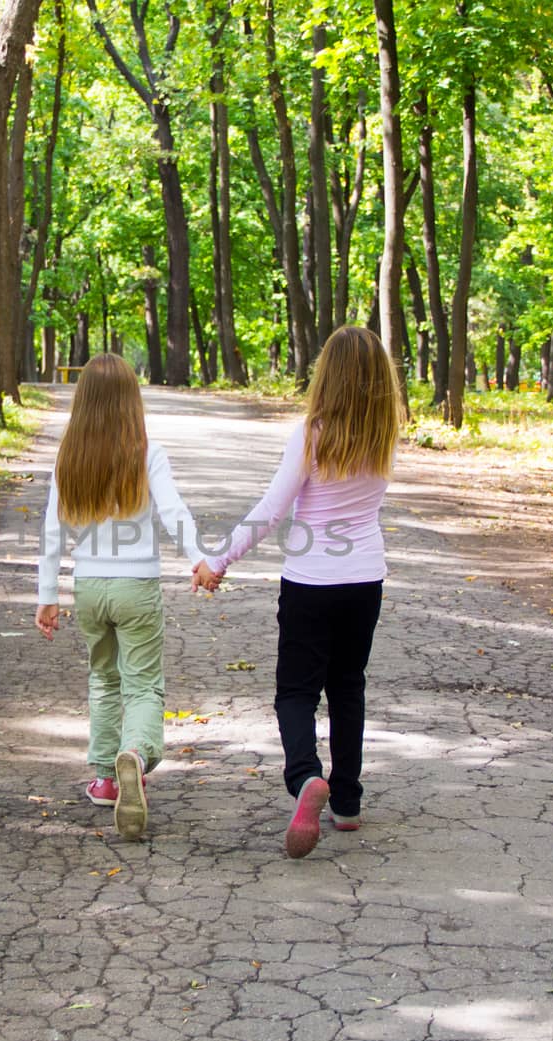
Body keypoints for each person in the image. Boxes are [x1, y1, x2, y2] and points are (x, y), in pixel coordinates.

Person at [199, 326, 405, 858]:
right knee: (348, 686)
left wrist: (217, 561)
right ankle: (349, 801)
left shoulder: (311, 434)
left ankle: (306, 777)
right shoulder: (385, 433)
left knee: (295, 692)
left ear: (326, 376)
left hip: (311, 582)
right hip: (365, 580)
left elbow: (272, 511)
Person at [35, 354, 208, 841]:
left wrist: (48, 596)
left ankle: (107, 779)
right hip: (136, 586)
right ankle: (136, 752)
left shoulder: (69, 456)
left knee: (104, 680)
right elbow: (174, 511)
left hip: (89, 588)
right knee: (144, 684)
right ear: (133, 399)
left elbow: (52, 533)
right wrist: (198, 558)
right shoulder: (146, 450)